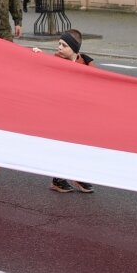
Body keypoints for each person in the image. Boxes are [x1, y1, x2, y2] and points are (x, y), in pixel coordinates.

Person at [46, 29, 96, 194]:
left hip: (80, 113)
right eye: (59, 44)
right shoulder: (55, 62)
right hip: (61, 112)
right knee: (62, 145)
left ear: (74, 49)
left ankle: (79, 175)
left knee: (81, 144)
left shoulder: (87, 64)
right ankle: (58, 179)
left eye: (64, 45)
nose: (59, 47)